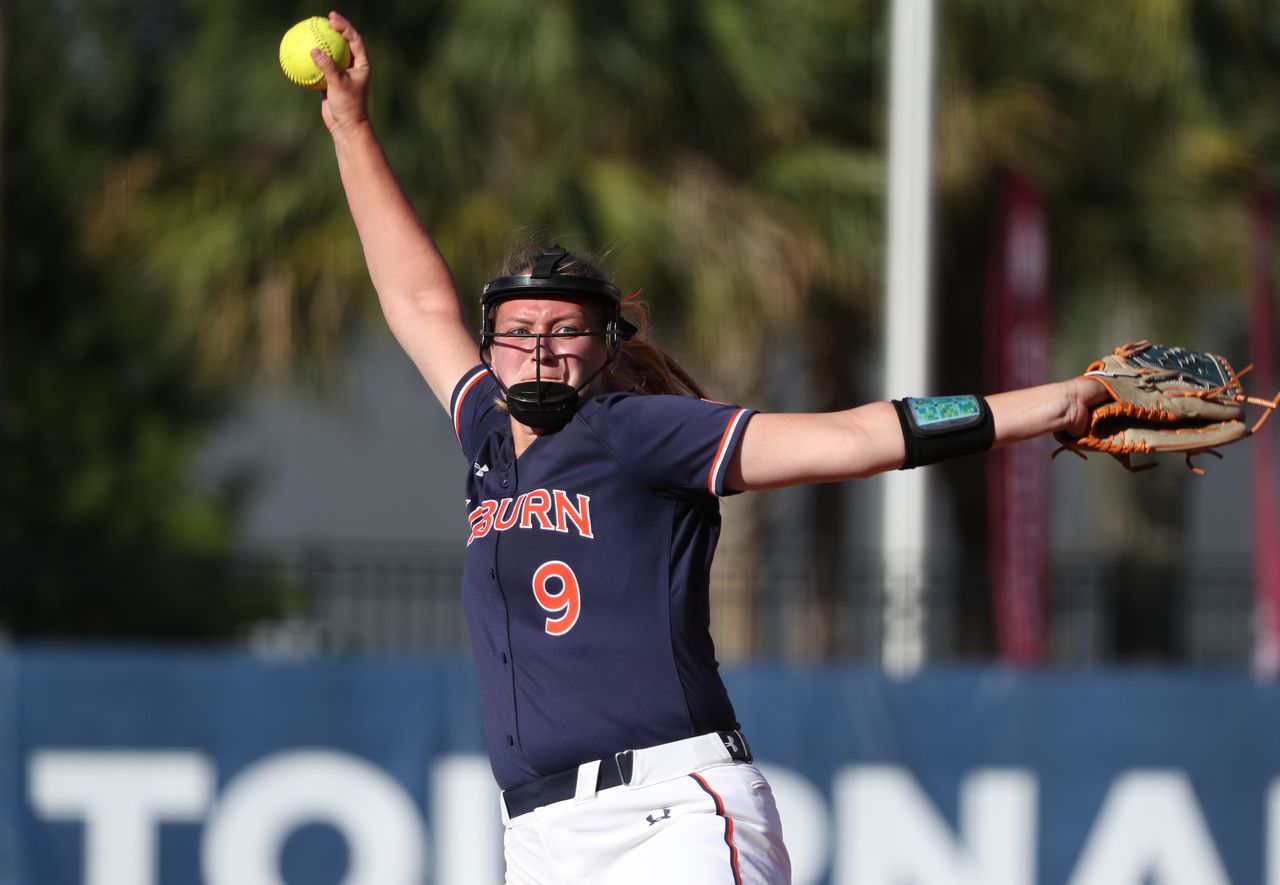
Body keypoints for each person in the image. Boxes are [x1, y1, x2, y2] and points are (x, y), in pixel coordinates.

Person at [309, 12, 1107, 883]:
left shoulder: (633, 431)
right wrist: (351, 125)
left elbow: (849, 438)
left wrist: (1057, 402)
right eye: (519, 328)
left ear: (607, 344)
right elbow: (416, 299)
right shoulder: (486, 436)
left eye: (566, 330)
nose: (540, 348)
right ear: (490, 341)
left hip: (672, 815)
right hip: (538, 842)